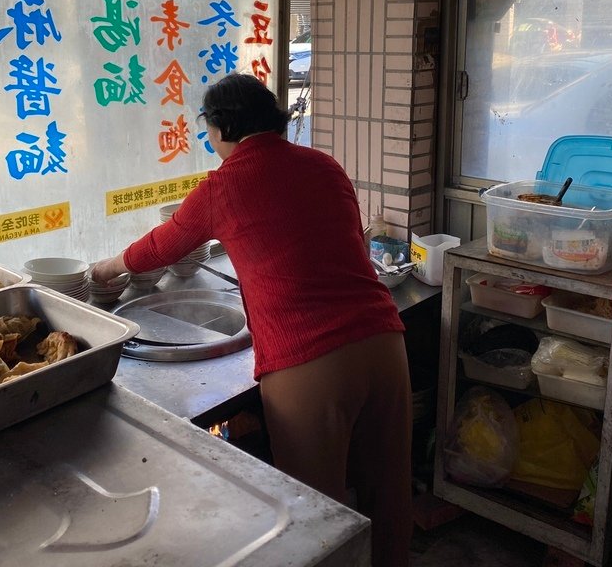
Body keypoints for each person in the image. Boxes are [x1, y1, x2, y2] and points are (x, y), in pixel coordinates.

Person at [91, 73, 412, 567]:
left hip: (310, 363)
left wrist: (106, 269)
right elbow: (350, 242)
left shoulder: (225, 184)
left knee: (316, 518)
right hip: (385, 344)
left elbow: (163, 245)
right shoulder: (324, 165)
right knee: (387, 494)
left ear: (219, 128)